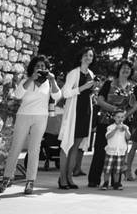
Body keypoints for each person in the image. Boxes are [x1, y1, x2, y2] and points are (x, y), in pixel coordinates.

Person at [0, 55, 61, 195]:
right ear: (33, 67)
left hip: (41, 117)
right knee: (16, 147)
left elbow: (57, 96)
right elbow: (18, 94)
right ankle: (7, 178)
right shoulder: (26, 80)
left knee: (34, 150)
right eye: (38, 66)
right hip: (24, 116)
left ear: (47, 69)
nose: (40, 69)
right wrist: (31, 78)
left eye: (43, 67)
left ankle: (30, 182)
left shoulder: (48, 82)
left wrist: (52, 79)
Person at [88, 59, 137, 188]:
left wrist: (125, 114)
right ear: (119, 69)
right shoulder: (109, 83)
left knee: (119, 150)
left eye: (128, 68)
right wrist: (113, 109)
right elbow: (100, 100)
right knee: (101, 150)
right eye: (123, 67)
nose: (126, 69)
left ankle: (116, 181)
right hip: (106, 120)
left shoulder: (134, 86)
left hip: (123, 122)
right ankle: (94, 180)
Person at [57, 46, 97, 190]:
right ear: (80, 57)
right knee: (66, 145)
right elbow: (65, 93)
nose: (88, 57)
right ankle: (62, 178)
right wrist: (83, 88)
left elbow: (88, 92)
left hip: (85, 113)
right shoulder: (73, 73)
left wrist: (93, 92)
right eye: (86, 55)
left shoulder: (91, 74)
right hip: (73, 113)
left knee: (75, 147)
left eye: (91, 56)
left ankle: (69, 177)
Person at [101, 109, 130, 190]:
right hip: (111, 151)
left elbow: (128, 137)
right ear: (114, 118)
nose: (120, 119)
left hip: (120, 152)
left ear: (124, 118)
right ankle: (106, 182)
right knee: (107, 169)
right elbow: (108, 136)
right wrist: (116, 129)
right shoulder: (110, 127)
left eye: (122, 117)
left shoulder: (126, 128)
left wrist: (126, 130)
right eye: (118, 117)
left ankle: (116, 183)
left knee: (117, 170)